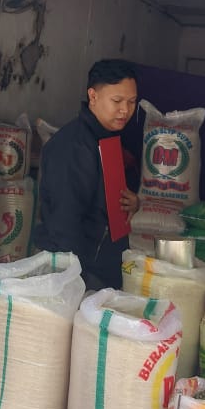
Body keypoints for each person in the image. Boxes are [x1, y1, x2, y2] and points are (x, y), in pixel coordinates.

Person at [35, 59, 140, 289]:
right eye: (117, 101)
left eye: (132, 102)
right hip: (81, 274)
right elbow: (65, 223)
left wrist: (132, 203)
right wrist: (75, 285)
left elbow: (100, 202)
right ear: (93, 96)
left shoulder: (107, 138)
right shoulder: (74, 147)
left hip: (104, 267)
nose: (125, 110)